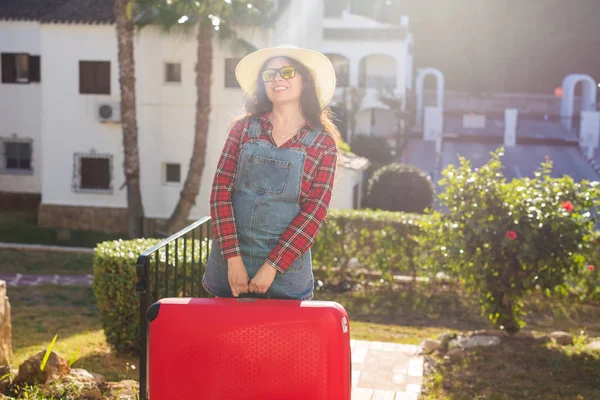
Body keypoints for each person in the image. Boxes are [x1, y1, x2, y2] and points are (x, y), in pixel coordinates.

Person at [202, 45, 342, 300]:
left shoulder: (324, 144)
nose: (277, 78)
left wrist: (272, 266)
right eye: (269, 74)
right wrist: (233, 259)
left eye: (287, 72)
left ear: (305, 81)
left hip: (286, 273)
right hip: (230, 265)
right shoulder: (242, 130)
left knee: (277, 341)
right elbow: (220, 193)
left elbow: (314, 213)